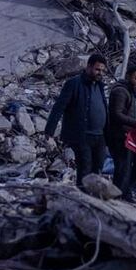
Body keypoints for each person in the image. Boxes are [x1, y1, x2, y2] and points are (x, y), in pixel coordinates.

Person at [45, 53, 109, 187]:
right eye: (97, 69)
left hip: (99, 135)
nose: (100, 73)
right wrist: (49, 131)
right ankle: (82, 198)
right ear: (89, 66)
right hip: (81, 135)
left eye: (102, 70)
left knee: (98, 166)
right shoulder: (74, 84)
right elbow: (59, 107)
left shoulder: (100, 86)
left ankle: (93, 197)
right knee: (85, 167)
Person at [106, 64, 136, 200]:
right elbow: (116, 114)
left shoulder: (131, 91)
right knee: (123, 168)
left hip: (131, 136)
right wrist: (135, 123)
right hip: (119, 136)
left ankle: (127, 190)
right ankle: (117, 196)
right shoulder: (120, 92)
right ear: (128, 76)